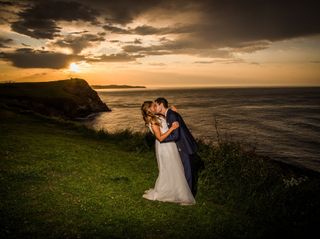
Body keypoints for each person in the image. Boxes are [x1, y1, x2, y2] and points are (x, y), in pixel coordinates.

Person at [141, 101, 195, 205]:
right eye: (154, 106)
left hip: (170, 146)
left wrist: (173, 112)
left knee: (175, 168)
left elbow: (166, 117)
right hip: (164, 147)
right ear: (149, 110)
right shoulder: (153, 121)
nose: (156, 106)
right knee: (169, 168)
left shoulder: (156, 116)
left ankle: (176, 190)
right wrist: (172, 129)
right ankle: (168, 192)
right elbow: (160, 138)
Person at [154, 97, 199, 196]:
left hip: (185, 145)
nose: (155, 107)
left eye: (156, 105)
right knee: (186, 170)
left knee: (188, 171)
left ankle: (189, 196)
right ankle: (187, 193)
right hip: (182, 144)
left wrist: (161, 139)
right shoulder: (169, 114)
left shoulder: (171, 115)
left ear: (161, 105)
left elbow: (176, 135)